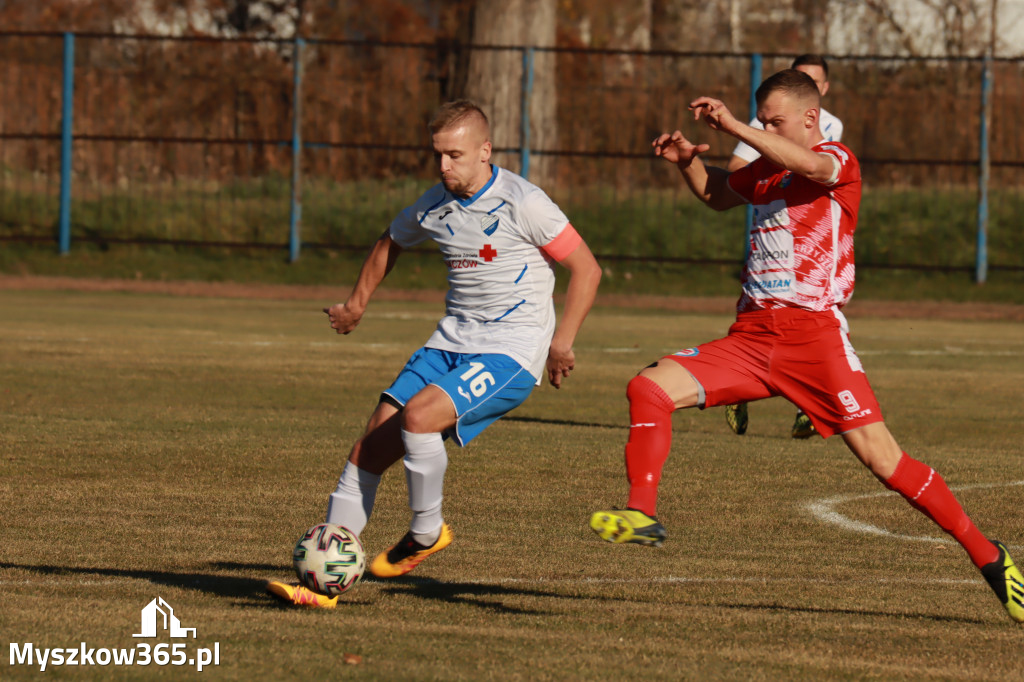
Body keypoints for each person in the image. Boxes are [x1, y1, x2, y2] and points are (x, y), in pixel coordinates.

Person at [588, 70, 1023, 623]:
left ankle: (989, 558)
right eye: (761, 120)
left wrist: (735, 125)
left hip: (815, 339)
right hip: (751, 338)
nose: (762, 131)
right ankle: (640, 512)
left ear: (810, 119)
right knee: (647, 387)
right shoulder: (768, 169)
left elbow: (812, 166)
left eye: (774, 121)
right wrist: (687, 162)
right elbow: (718, 195)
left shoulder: (837, 161)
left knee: (887, 464)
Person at [268, 99, 602, 608]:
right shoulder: (433, 205)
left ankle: (427, 531)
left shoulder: (523, 202)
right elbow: (390, 241)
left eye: (455, 155)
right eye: (438, 156)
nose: (444, 166)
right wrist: (357, 304)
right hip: (449, 342)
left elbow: (587, 269)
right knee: (368, 452)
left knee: (419, 419)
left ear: (485, 150)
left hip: (510, 349)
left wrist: (562, 343)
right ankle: (322, 585)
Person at [725, 54, 844, 440]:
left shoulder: (832, 128)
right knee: (757, 323)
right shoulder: (766, 124)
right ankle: (734, 387)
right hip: (771, 229)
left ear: (820, 93)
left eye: (811, 81)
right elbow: (728, 179)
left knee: (822, 318)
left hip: (811, 241)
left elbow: (817, 168)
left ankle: (807, 409)